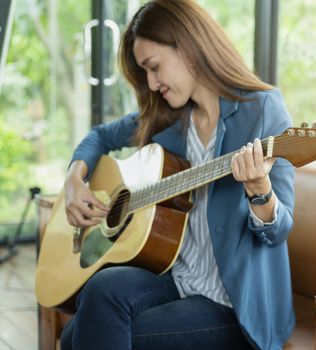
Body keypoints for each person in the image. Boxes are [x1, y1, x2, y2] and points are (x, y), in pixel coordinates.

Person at [60, 0, 295, 349]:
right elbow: (99, 137)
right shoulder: (170, 118)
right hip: (177, 277)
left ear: (187, 47)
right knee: (100, 290)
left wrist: (259, 189)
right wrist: (73, 183)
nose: (152, 84)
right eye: (145, 74)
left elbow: (278, 231)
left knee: (77, 336)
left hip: (234, 304)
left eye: (154, 67)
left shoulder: (262, 110)